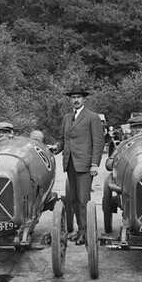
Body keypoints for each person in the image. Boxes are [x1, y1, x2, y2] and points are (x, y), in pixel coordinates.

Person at [49, 85, 105, 245]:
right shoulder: (67, 118)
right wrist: (56, 147)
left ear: (84, 99)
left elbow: (98, 142)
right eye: (73, 97)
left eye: (78, 97)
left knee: (83, 200)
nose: (76, 100)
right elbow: (63, 139)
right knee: (73, 200)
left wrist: (94, 164)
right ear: (70, 100)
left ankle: (86, 233)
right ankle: (79, 230)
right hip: (70, 163)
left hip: (85, 165)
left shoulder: (92, 117)